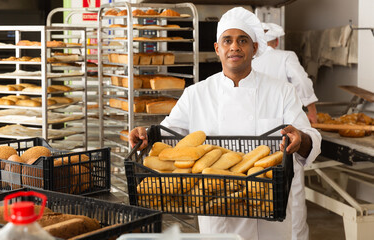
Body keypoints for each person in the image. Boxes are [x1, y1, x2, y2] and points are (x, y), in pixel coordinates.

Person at [129, 7, 321, 240]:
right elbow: (169, 134)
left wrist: (301, 139)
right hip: (215, 213)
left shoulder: (282, 91)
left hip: (267, 215)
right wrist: (146, 135)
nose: (234, 47)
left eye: (243, 40)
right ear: (217, 49)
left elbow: (309, 137)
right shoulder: (196, 94)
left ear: (255, 48)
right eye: (227, 40)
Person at [252, 23, 318, 124]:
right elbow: (301, 81)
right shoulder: (286, 57)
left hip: (254, 122)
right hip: (284, 120)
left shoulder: (249, 61)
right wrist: (312, 111)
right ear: (277, 42)